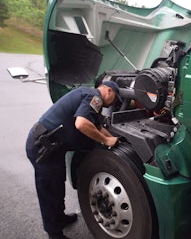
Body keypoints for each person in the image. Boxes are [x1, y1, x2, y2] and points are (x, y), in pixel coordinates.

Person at [26, 81, 121, 239]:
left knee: (57, 185)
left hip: (53, 149)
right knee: (49, 191)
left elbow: (97, 127)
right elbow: (82, 124)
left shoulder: (89, 96)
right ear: (109, 91)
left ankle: (59, 218)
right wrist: (106, 141)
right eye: (115, 99)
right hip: (42, 148)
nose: (114, 103)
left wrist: (116, 140)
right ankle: (54, 233)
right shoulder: (94, 97)